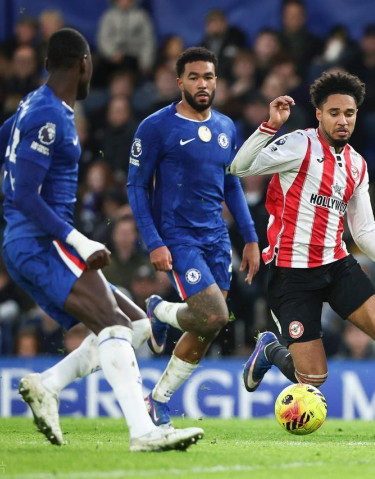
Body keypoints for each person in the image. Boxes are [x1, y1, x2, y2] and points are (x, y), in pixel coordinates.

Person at [0, 28, 202, 452]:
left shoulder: (34, 105)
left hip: (32, 242)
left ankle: (48, 384)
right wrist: (79, 240)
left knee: (137, 325)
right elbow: (23, 195)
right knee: (113, 326)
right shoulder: (47, 115)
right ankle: (143, 432)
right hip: (41, 243)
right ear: (83, 64)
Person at [229, 71, 375, 440]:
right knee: (313, 379)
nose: (342, 120)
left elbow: (364, 231)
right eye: (334, 112)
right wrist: (270, 126)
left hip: (336, 265)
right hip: (291, 274)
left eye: (349, 113)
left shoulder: (356, 165)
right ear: (319, 114)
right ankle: (270, 349)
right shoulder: (298, 145)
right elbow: (240, 167)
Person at [126, 47, 260, 427]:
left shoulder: (226, 127)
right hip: (177, 235)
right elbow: (136, 186)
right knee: (214, 313)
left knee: (209, 324)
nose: (203, 84)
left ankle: (157, 400)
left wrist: (250, 238)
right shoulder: (156, 127)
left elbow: (231, 184)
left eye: (209, 77)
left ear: (217, 81)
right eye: (195, 77)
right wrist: (154, 241)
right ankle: (159, 310)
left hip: (216, 237)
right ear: (179, 82)